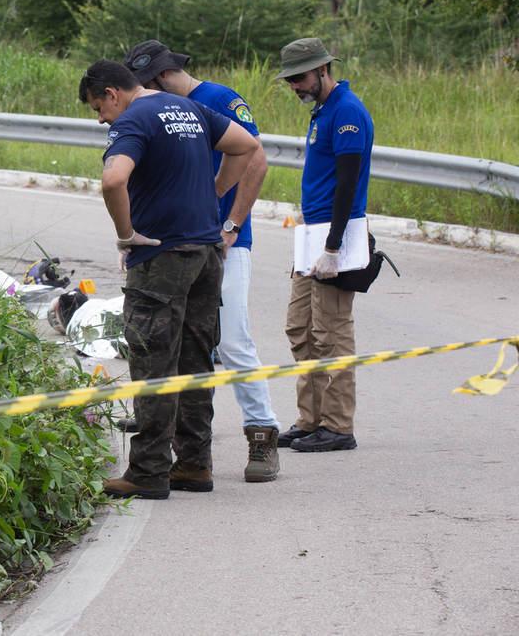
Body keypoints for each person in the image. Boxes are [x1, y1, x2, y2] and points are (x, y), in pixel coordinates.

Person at [79, 56, 259, 499]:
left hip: (161, 256)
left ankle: (148, 471)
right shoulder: (189, 108)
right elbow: (246, 145)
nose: (101, 119)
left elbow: (113, 181)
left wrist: (126, 235)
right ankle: (195, 464)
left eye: (98, 108)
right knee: (196, 363)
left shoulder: (133, 119)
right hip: (205, 254)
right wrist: (215, 192)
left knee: (153, 362)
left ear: (112, 93)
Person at [129, 41, 281, 483]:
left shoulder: (217, 99)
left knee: (231, 340)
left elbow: (255, 158)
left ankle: (262, 432)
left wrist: (230, 221)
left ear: (160, 78)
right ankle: (184, 449)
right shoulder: (165, 110)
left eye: (144, 87)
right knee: (182, 343)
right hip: (181, 244)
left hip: (225, 241)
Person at [275, 38, 373, 453]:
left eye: (299, 78)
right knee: (300, 328)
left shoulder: (347, 111)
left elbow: (348, 184)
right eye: (290, 80)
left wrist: (332, 248)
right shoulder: (322, 110)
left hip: (335, 236)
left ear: (322, 70)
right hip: (312, 234)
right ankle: (310, 419)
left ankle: (337, 425)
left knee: (331, 331)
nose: (294, 86)